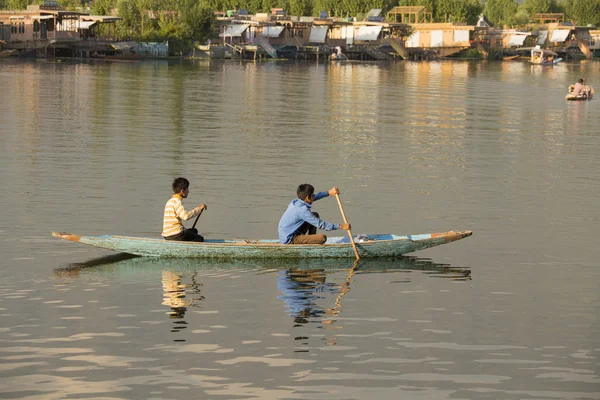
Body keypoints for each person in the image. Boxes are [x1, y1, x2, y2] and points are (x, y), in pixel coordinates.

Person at [278, 184, 350, 245]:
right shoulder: (303, 210)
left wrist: (329, 192)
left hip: (291, 232)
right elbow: (321, 225)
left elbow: (315, 197)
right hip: (289, 239)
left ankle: (311, 240)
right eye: (312, 195)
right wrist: (341, 226)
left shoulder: (296, 201)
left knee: (315, 215)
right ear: (307, 197)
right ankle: (312, 244)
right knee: (322, 238)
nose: (314, 196)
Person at [162, 177, 206, 242]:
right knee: (200, 239)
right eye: (187, 189)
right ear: (182, 191)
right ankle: (187, 248)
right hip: (176, 234)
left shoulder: (169, 201)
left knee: (194, 231)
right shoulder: (177, 202)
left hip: (167, 235)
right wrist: (199, 209)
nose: (188, 191)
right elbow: (186, 216)